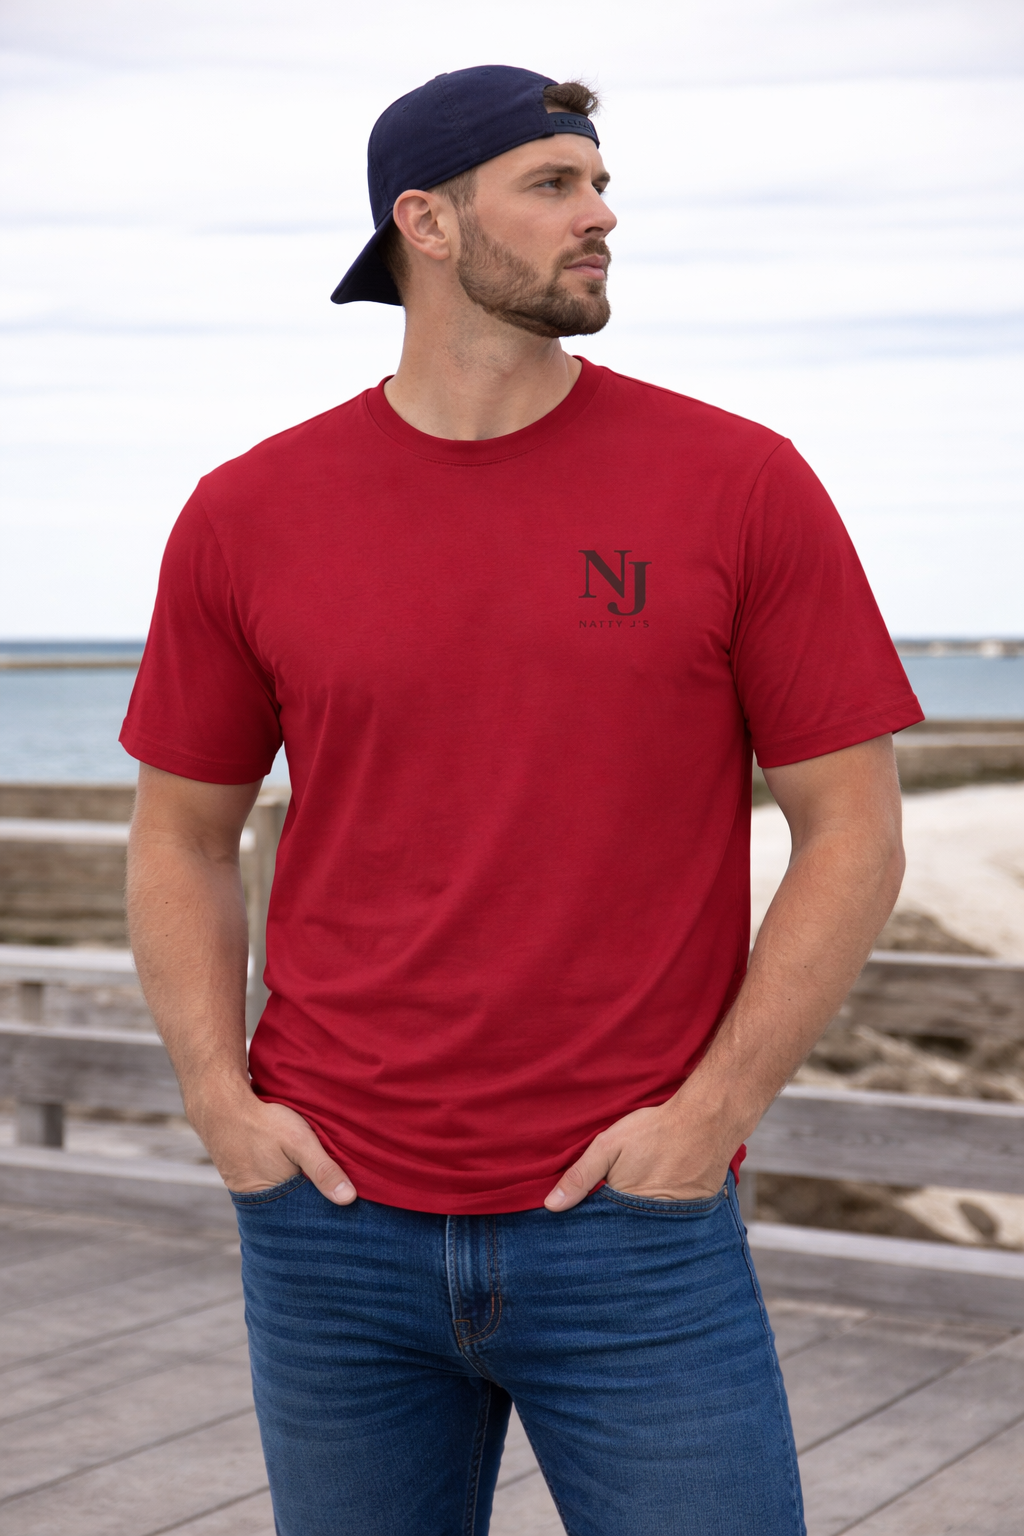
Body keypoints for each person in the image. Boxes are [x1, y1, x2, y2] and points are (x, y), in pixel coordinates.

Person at [123, 65, 922, 1536]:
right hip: (332, 1226)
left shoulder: (739, 484)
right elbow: (183, 829)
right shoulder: (250, 513)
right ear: (423, 221)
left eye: (601, 184)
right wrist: (218, 1102)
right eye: (554, 185)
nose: (600, 216)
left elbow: (856, 831)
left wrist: (714, 1116)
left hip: (634, 1225)